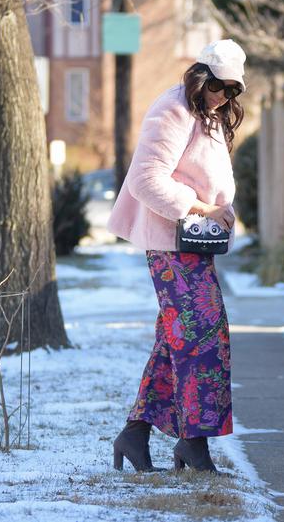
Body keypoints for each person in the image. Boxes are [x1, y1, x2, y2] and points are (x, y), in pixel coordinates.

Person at [107, 39, 246, 473]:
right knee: (206, 338)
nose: (226, 96)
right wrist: (202, 208)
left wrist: (222, 210)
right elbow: (146, 179)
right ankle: (194, 443)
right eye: (221, 86)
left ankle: (134, 434)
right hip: (169, 245)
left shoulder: (208, 113)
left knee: (175, 342)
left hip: (190, 244)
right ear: (203, 76)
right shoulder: (174, 107)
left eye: (235, 90)